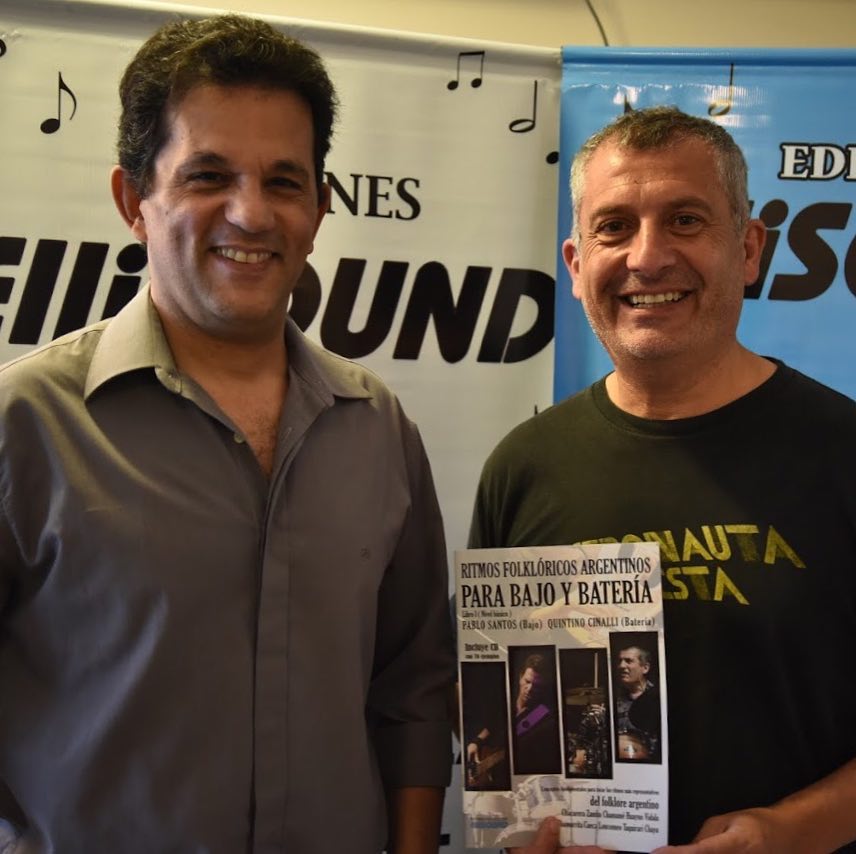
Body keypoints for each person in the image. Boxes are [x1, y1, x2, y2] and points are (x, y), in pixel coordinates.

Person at [0, 15, 454, 854]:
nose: (250, 214)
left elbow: (413, 694)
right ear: (134, 201)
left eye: (284, 182)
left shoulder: (379, 429)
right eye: (209, 176)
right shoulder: (24, 424)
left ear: (319, 207)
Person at [470, 106, 856, 853]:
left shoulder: (844, 453)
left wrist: (792, 831)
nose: (647, 258)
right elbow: (494, 709)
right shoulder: (522, 467)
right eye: (614, 227)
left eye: (684, 220)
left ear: (748, 248)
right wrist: (523, 826)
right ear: (576, 264)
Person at [510, 652, 561, 775]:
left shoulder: (543, 717)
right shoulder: (506, 702)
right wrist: (477, 742)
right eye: (527, 681)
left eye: (537, 686)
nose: (530, 689)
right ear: (520, 677)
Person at [614, 645, 660, 763]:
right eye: (620, 661)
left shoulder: (658, 698)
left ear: (645, 668)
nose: (621, 666)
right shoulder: (614, 699)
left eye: (628, 661)